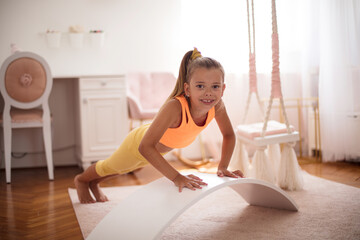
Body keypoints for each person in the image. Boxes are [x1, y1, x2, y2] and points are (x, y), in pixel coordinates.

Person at [74, 48, 243, 204]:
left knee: (124, 167)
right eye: (200, 86)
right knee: (112, 166)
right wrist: (176, 177)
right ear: (188, 89)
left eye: (215, 86)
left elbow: (229, 135)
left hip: (153, 149)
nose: (208, 92)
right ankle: (82, 180)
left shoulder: (218, 106)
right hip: (139, 144)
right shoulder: (175, 107)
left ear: (223, 89)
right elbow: (145, 147)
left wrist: (223, 166)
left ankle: (94, 183)